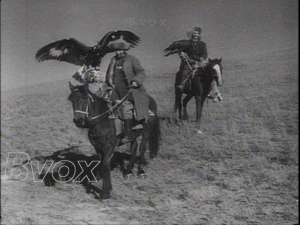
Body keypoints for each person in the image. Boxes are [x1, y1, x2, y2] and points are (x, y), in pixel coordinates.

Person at [105, 42, 150, 140]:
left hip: (130, 90)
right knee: (113, 112)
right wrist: (109, 85)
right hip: (116, 90)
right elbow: (108, 76)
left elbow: (140, 71)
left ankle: (131, 132)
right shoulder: (112, 61)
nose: (117, 52)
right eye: (116, 50)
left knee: (128, 111)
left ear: (124, 50)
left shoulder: (132, 59)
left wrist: (136, 81)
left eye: (119, 50)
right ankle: (117, 134)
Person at [177, 27, 222, 102]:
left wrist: (202, 57)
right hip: (189, 62)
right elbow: (181, 52)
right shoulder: (186, 44)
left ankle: (213, 92)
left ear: (199, 35)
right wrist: (183, 56)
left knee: (210, 73)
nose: (195, 35)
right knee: (185, 72)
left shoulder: (202, 44)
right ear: (191, 35)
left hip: (199, 62)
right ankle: (182, 85)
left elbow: (204, 53)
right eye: (194, 34)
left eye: (197, 34)